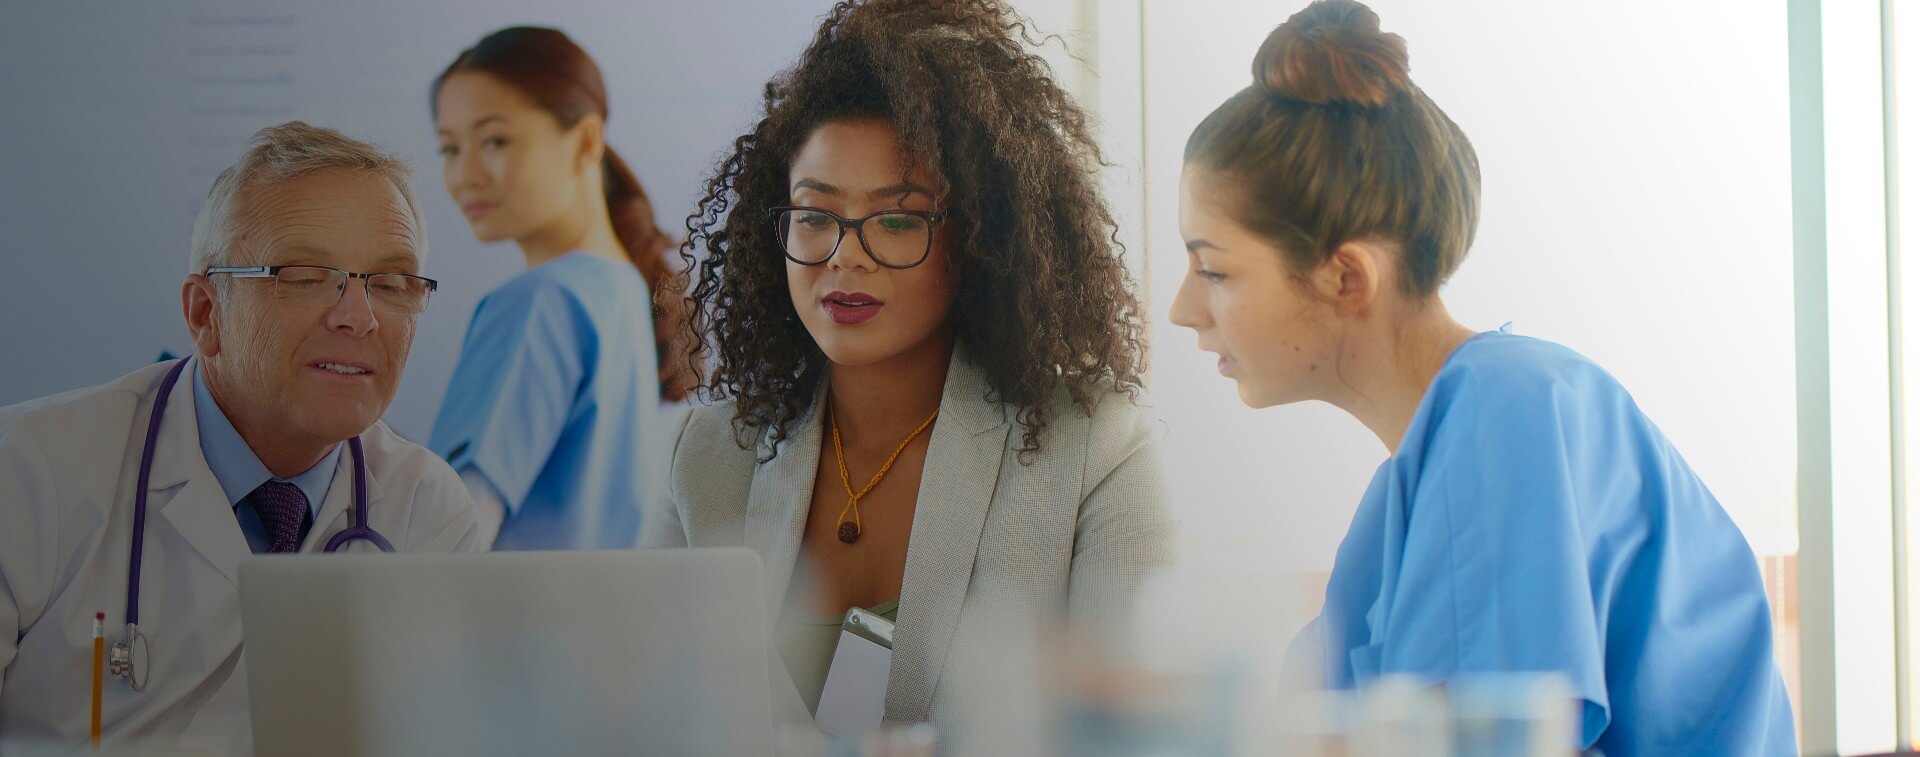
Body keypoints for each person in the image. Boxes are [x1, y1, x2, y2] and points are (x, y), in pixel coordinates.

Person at [1168, 2, 1796, 753]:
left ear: (1344, 276)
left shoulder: (1506, 413)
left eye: (1213, 269)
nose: (1183, 309)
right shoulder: (1409, 491)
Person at [648, 0, 1174, 728]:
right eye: (815, 214)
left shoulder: (1094, 449)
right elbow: (652, 721)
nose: (844, 255)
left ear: (983, 237)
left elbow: (1130, 740)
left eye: (897, 219)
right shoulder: (705, 457)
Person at [0, 122, 481, 754]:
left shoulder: (425, 511)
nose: (358, 317)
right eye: (306, 275)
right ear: (206, 314)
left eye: (392, 285)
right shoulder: (30, 472)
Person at [429, 26, 689, 549]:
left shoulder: (540, 303)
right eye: (450, 149)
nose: (465, 174)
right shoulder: (625, 292)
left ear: (587, 142)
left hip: (503, 629)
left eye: (494, 140)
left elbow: (449, 538)